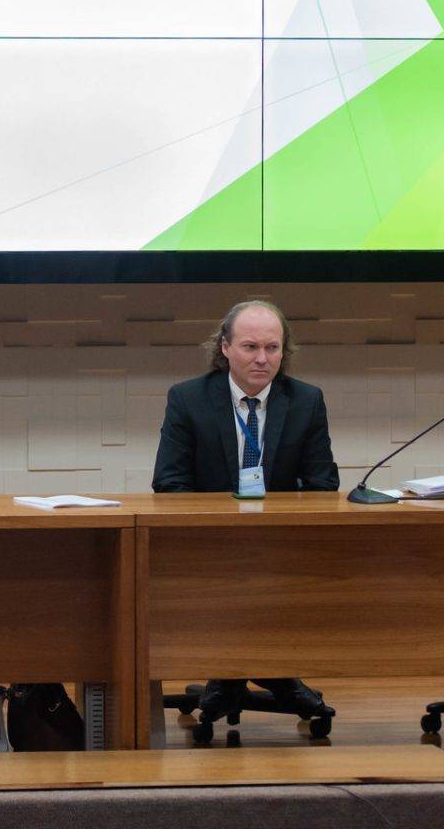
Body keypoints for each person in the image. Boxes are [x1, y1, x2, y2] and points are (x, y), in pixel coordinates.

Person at [151, 299, 338, 723]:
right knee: (237, 571)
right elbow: (169, 482)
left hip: (281, 542)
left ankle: (245, 672)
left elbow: (324, 484)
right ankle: (266, 674)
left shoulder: (306, 400)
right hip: (209, 542)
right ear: (225, 348)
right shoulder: (188, 398)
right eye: (250, 347)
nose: (262, 359)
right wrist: (220, 526)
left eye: (272, 348)